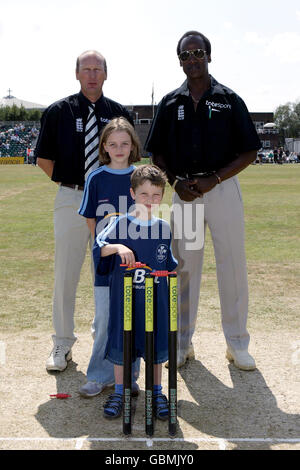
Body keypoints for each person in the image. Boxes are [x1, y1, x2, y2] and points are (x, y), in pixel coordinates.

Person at [145, 30, 261, 371]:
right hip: (186, 194)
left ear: (209, 55)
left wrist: (217, 178)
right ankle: (182, 343)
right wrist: (174, 181)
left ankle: (237, 343)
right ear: (179, 61)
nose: (192, 60)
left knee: (232, 266)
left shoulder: (228, 99)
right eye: (185, 55)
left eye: (197, 53)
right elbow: (157, 151)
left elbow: (251, 149)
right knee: (185, 268)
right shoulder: (170, 102)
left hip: (222, 190)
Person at [35, 50, 134, 372]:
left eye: (97, 69)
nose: (92, 74)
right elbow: (44, 160)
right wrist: (78, 186)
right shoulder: (58, 112)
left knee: (110, 274)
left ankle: (105, 342)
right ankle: (62, 341)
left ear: (106, 74)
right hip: (72, 197)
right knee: (66, 272)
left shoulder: (118, 113)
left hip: (113, 205)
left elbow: (129, 158)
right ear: (77, 74)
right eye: (86, 69)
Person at [95, 165, 177, 419]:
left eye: (156, 195)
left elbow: (169, 264)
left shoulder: (164, 227)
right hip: (126, 302)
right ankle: (120, 391)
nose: (150, 201)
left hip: (156, 302)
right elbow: (100, 247)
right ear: (132, 193)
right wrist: (118, 247)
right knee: (123, 344)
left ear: (162, 196)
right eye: (144, 194)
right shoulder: (119, 224)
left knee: (155, 348)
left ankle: (157, 391)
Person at [77, 117, 141, 397]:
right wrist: (102, 246)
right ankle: (98, 375)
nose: (119, 148)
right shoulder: (96, 177)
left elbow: (148, 215)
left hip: (136, 260)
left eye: (124, 143)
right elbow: (90, 218)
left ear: (132, 146)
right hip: (106, 261)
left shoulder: (141, 175)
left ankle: (129, 376)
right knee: (105, 318)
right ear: (104, 146)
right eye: (113, 144)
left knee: (132, 317)